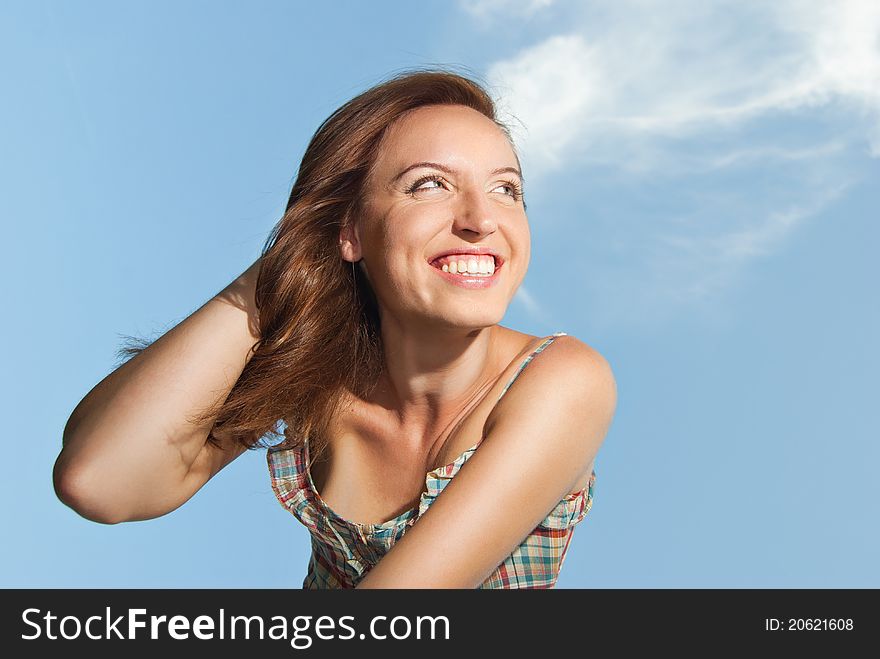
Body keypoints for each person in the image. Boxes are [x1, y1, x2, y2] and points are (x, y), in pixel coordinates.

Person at [54, 67, 617, 589]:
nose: (482, 219)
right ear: (347, 231)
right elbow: (100, 481)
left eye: (506, 189)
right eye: (429, 185)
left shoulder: (563, 381)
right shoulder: (319, 381)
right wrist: (292, 262)